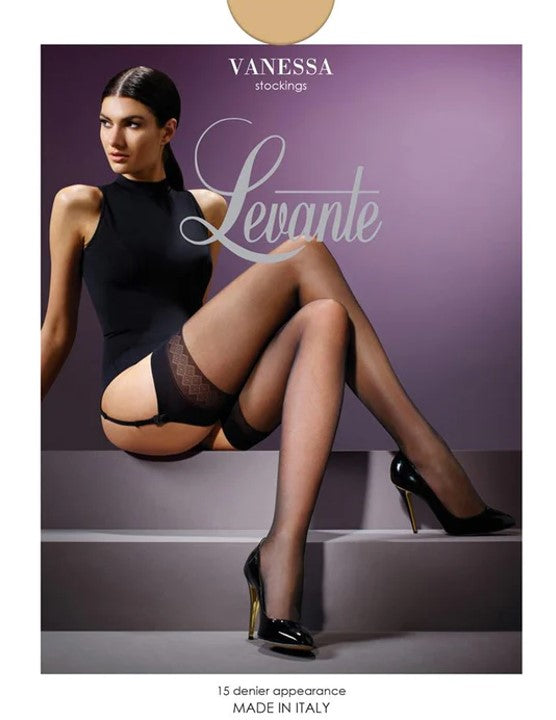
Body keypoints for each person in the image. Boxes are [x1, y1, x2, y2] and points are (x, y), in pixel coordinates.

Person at [41, 65, 515, 653]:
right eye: (105, 123)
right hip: (136, 400)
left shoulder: (208, 208)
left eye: (133, 124)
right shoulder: (80, 204)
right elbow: (57, 332)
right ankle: (428, 461)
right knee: (304, 251)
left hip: (206, 412)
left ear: (168, 131)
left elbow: (197, 320)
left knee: (327, 317)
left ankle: (279, 550)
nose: (114, 139)